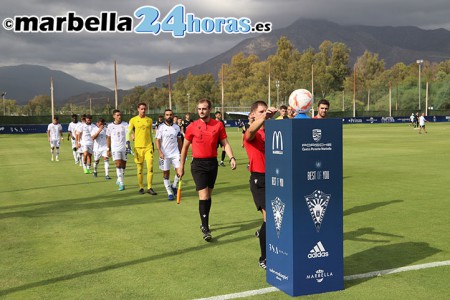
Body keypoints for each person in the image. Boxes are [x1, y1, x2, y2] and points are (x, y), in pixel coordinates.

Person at [177, 99, 237, 241]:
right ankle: (205, 228)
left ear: (209, 109)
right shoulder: (192, 126)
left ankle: (204, 220)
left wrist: (232, 157)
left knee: (208, 196)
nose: (201, 111)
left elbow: (225, 143)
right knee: (203, 196)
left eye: (204, 109)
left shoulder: (218, 125)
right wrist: (181, 166)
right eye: (199, 109)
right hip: (198, 165)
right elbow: (184, 147)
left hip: (212, 164)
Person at [243, 100, 278, 270]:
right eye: (261, 111)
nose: (265, 113)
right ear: (254, 114)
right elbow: (250, 131)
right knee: (270, 218)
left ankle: (265, 236)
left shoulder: (272, 132)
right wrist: (265, 117)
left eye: (266, 111)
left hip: (276, 179)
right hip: (259, 180)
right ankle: (264, 258)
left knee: (277, 218)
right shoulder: (252, 134)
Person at [128, 102, 157, 195]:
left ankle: (149, 187)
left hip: (148, 147)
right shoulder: (133, 120)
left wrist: (152, 144)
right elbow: (128, 131)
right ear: (138, 109)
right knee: (140, 169)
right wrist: (129, 139)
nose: (143, 110)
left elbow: (150, 134)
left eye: (145, 109)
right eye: (141, 109)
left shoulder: (149, 120)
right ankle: (141, 187)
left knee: (150, 167)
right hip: (138, 147)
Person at [155, 109, 182, 200]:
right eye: (167, 115)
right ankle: (169, 192)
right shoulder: (161, 127)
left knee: (180, 172)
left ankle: (174, 186)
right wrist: (160, 152)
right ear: (164, 116)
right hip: (165, 154)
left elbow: (179, 140)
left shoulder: (177, 127)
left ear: (173, 115)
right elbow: (157, 140)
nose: (169, 116)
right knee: (166, 173)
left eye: (170, 114)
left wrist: (181, 152)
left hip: (175, 153)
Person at [107, 110, 129, 191]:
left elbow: (129, 132)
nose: (119, 116)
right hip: (115, 148)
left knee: (123, 165)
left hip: (124, 148)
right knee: (118, 164)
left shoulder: (125, 124)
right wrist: (108, 149)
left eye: (120, 115)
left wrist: (133, 136)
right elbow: (108, 138)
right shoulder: (109, 126)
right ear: (114, 116)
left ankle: (119, 179)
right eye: (117, 115)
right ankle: (122, 183)